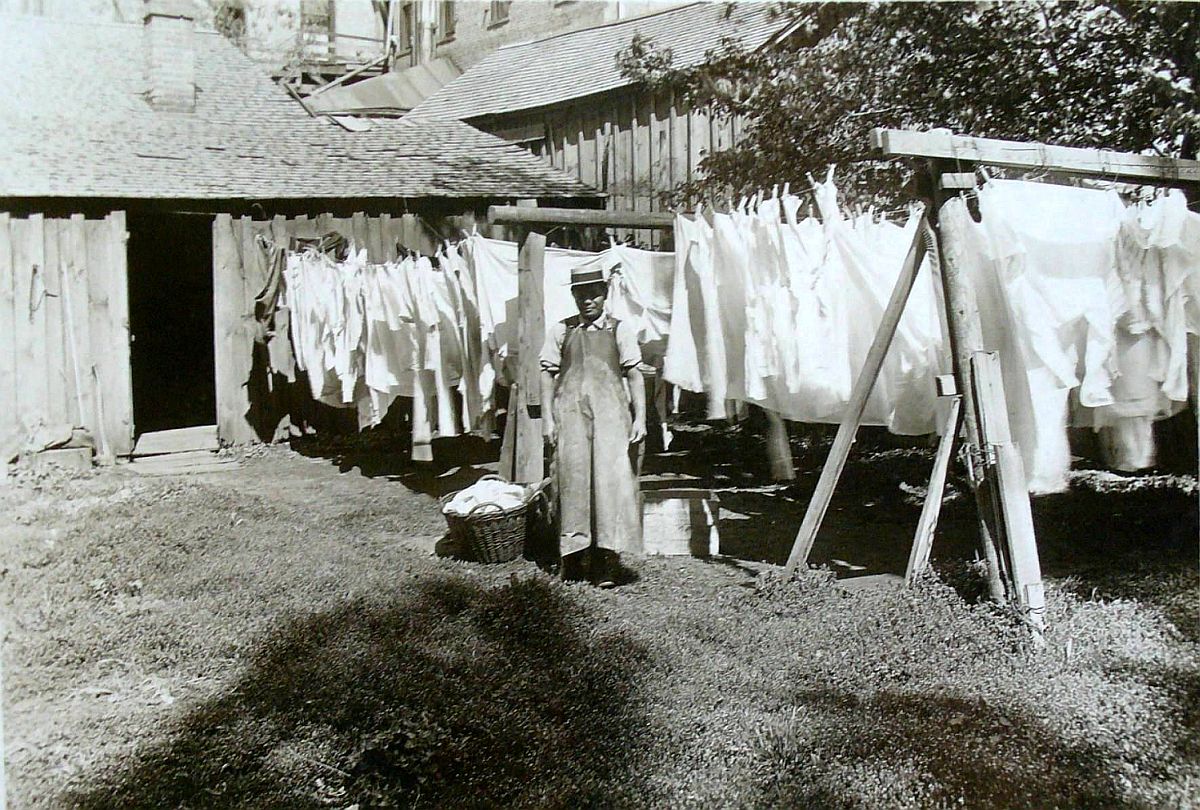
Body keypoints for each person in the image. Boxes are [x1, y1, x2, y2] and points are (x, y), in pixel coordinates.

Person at [540, 260, 645, 586]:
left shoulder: (619, 330)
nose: (588, 301)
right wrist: (548, 418)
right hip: (571, 418)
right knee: (572, 483)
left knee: (608, 486)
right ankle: (572, 559)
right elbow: (546, 373)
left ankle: (605, 562)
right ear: (574, 296)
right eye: (581, 295)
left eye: (594, 294)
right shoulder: (562, 330)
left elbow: (634, 374)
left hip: (611, 419)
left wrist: (641, 417)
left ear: (604, 294)